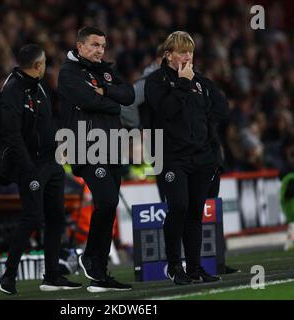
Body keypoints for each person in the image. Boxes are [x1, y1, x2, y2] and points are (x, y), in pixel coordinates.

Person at [0, 44, 81, 294]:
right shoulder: (12, 90)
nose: (46, 67)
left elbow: (46, 122)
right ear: (39, 65)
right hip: (31, 164)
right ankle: (8, 276)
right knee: (32, 216)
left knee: (55, 217)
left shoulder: (39, 85)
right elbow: (11, 134)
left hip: (51, 161)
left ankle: (52, 276)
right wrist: (28, 166)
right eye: (44, 63)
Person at [145, 31, 229, 285]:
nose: (187, 56)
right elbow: (165, 112)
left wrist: (207, 136)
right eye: (182, 51)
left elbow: (222, 109)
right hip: (172, 158)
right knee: (179, 207)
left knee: (195, 213)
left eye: (190, 52)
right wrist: (182, 83)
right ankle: (174, 266)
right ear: (168, 55)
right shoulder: (156, 81)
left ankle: (194, 267)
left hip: (202, 158)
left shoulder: (200, 82)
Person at [58, 26, 135, 292]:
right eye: (94, 45)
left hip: (112, 147)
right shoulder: (68, 72)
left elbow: (130, 95)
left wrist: (105, 90)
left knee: (109, 206)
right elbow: (88, 101)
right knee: (107, 200)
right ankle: (90, 256)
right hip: (87, 147)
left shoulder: (104, 70)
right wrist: (111, 99)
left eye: (102, 45)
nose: (100, 50)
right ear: (79, 46)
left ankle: (100, 274)